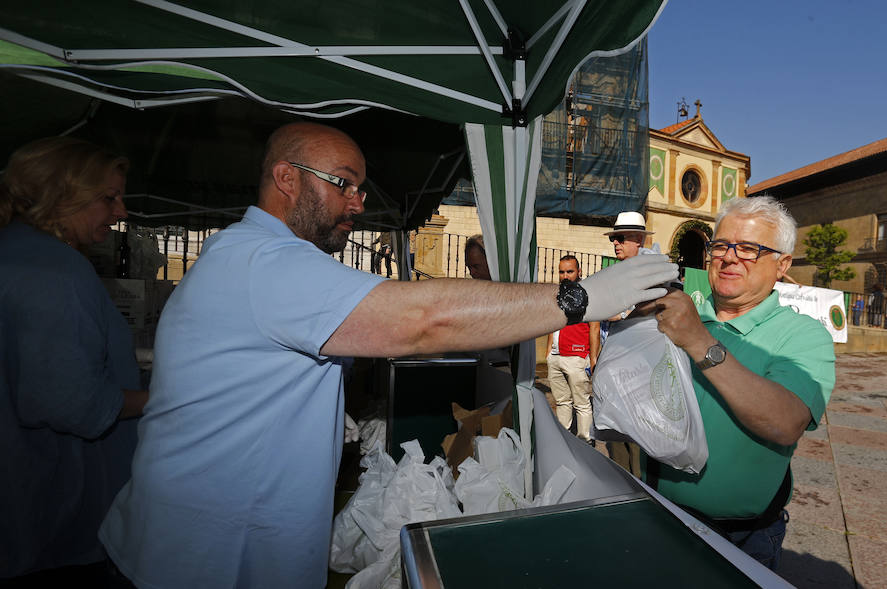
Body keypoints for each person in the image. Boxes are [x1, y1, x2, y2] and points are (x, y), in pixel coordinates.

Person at [98, 122, 677, 588]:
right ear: (287, 179)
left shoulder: (251, 257)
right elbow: (422, 320)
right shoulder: (267, 262)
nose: (357, 201)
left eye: (360, 187)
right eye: (344, 183)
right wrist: (581, 297)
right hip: (204, 559)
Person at [647, 195, 835, 570]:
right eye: (720, 245)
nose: (729, 257)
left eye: (749, 249)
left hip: (742, 540)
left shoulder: (803, 335)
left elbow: (786, 422)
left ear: (782, 265)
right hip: (655, 514)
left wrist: (699, 341)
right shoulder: (680, 314)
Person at [0, 137, 148, 584]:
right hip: (53, 517)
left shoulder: (15, 254)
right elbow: (77, 406)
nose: (121, 211)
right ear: (61, 194)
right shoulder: (57, 271)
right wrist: (160, 397)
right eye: (108, 198)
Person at [598, 211, 654, 475]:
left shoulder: (652, 273)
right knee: (618, 434)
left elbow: (655, 314)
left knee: (638, 437)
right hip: (617, 364)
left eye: (620, 238)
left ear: (639, 240)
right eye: (614, 239)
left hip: (640, 369)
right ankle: (624, 484)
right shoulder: (618, 272)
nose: (616, 243)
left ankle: (641, 491)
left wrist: (619, 313)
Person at [545, 256, 601, 443]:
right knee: (562, 402)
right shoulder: (556, 293)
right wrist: (548, 353)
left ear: (579, 272)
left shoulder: (588, 294)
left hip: (577, 357)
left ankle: (585, 441)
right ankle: (563, 439)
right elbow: (552, 324)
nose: (565, 275)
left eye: (570, 271)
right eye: (562, 272)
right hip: (556, 356)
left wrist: (593, 358)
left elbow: (595, 326)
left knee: (582, 404)